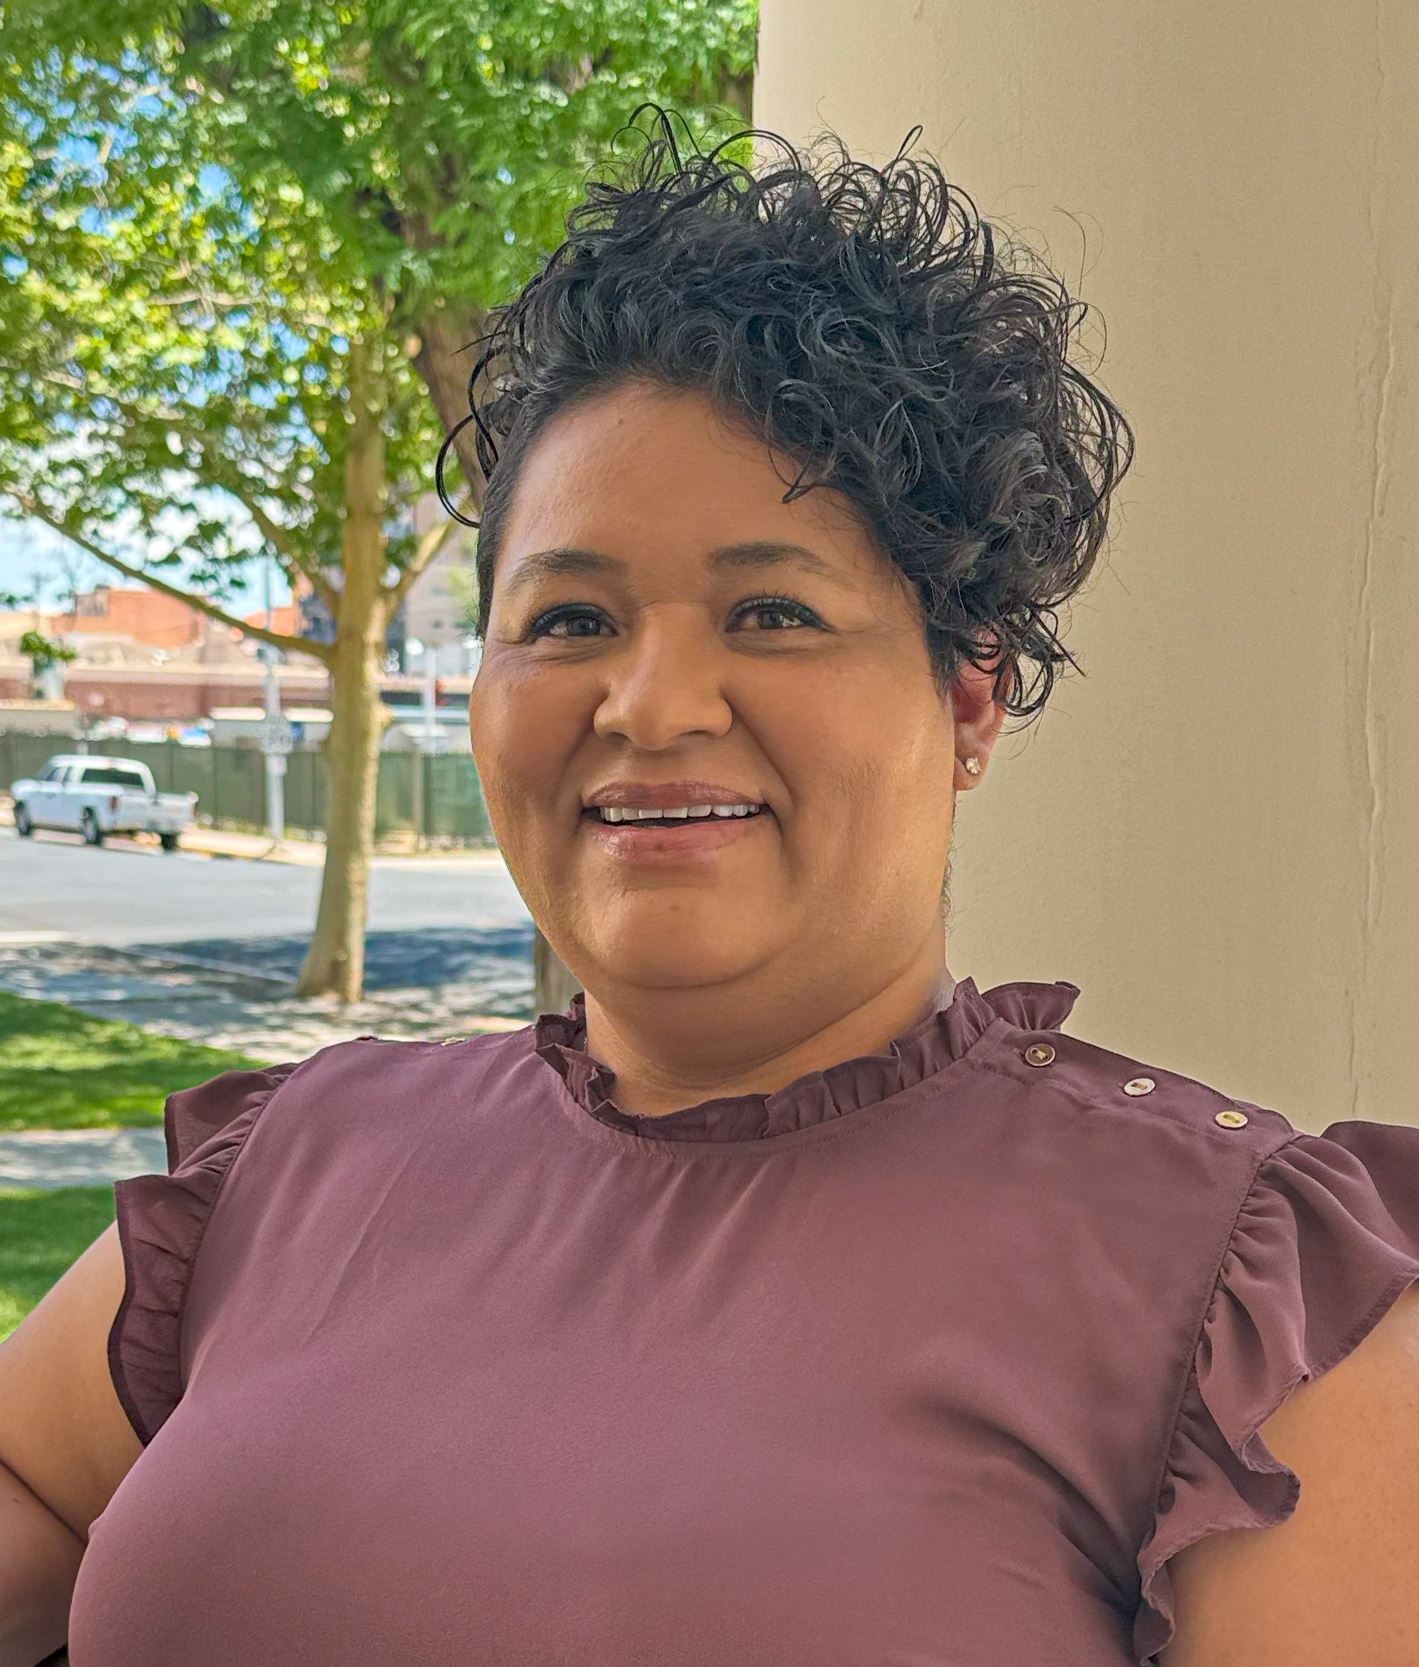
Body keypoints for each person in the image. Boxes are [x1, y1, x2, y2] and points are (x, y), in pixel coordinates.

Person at [4, 107, 1418, 1667]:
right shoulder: (292, 1166)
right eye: (567, 621)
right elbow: (36, 1487)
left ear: (967, 698)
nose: (651, 703)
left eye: (771, 611)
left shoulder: (1245, 1306)